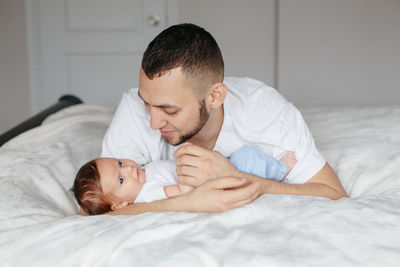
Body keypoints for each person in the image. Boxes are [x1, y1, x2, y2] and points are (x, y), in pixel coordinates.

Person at [99, 23, 347, 215]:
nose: (153, 123)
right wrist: (188, 203)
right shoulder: (132, 109)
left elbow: (333, 192)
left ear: (215, 96)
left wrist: (242, 180)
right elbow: (94, 210)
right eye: (147, 103)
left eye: (170, 110)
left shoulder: (266, 112)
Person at [75, 147, 298, 215]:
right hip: (213, 180)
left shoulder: (144, 174)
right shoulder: (149, 193)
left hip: (210, 169)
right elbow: (184, 193)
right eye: (122, 180)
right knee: (245, 158)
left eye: (120, 163)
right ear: (120, 205)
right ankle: (279, 171)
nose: (130, 169)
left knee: (243, 155)